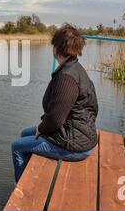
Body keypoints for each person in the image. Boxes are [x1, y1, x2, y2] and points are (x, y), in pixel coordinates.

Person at [11, 24, 98, 183]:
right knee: (24, 133)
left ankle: (23, 188)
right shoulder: (75, 68)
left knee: (17, 146)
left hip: (74, 145)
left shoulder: (66, 77)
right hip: (80, 135)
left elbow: (56, 120)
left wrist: (41, 128)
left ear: (57, 47)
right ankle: (33, 176)